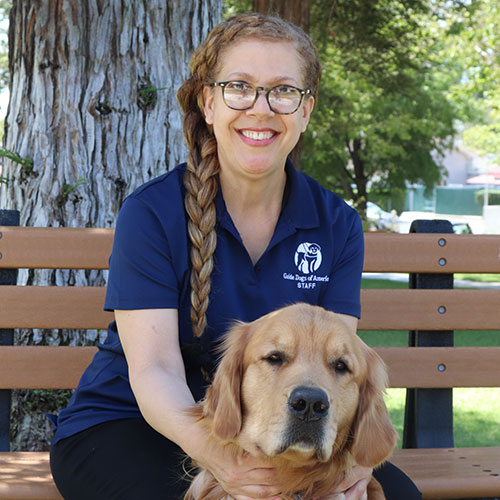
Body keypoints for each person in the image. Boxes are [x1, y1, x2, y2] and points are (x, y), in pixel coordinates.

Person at [50, 13, 422, 500]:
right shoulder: (151, 213)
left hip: (285, 428)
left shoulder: (337, 224)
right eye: (239, 87)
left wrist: (348, 465)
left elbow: (336, 361)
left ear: (306, 111)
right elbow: (154, 370)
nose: (261, 108)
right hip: (131, 421)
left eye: (284, 91)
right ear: (208, 102)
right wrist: (226, 464)